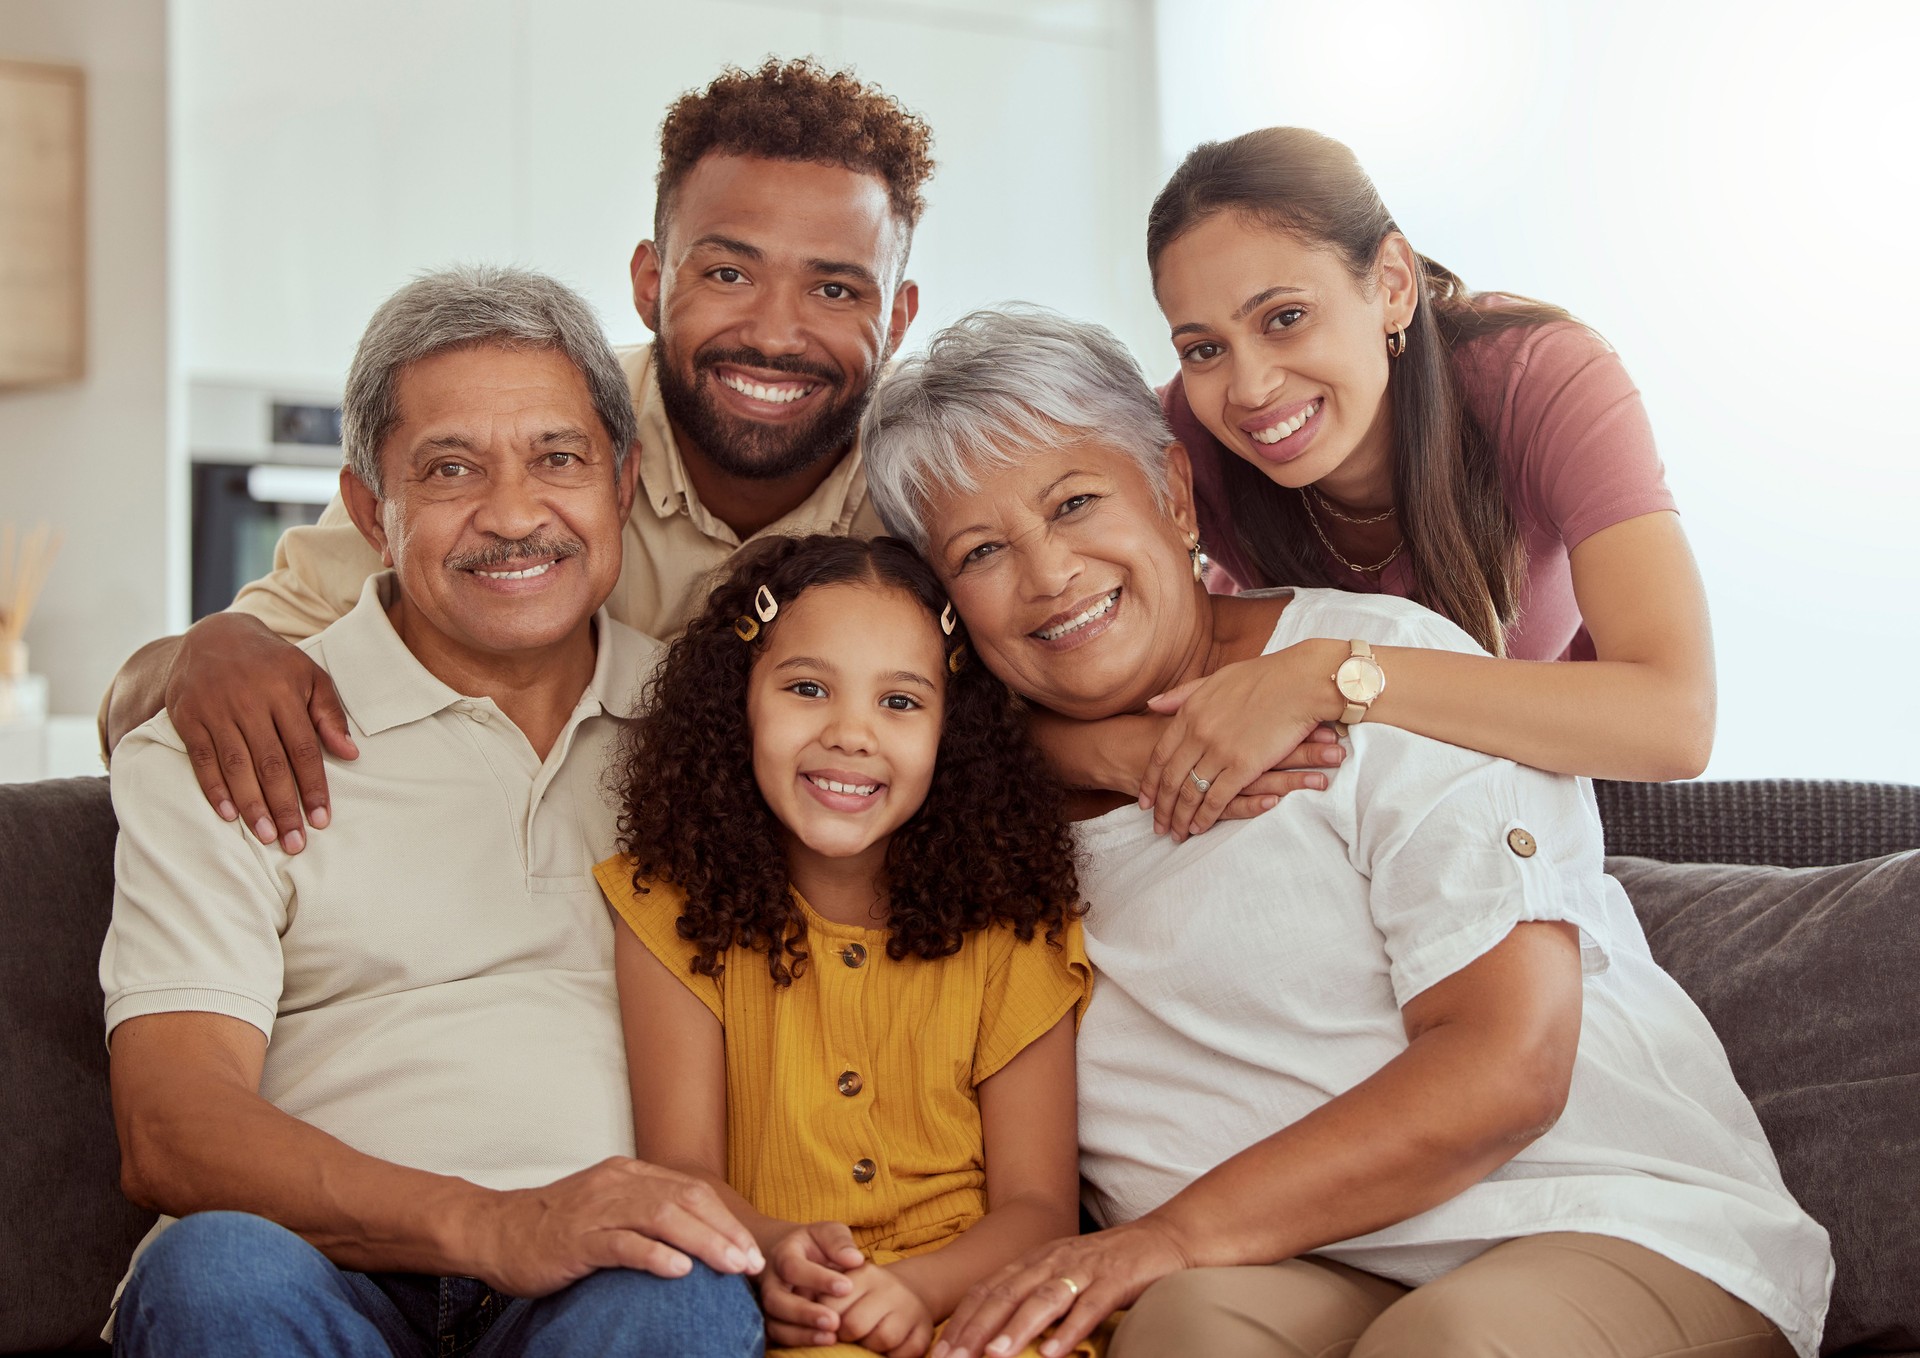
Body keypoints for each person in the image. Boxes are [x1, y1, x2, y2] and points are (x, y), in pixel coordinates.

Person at [857, 308, 1831, 1358]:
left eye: (1077, 502)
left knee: (1449, 1341)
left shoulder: (1377, 671)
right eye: (983, 549)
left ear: (1174, 493)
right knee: (1185, 1331)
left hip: (1608, 1217)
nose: (1047, 573)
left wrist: (1162, 1236)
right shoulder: (959, 798)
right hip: (1310, 1260)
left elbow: (1509, 1066)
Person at [100, 266, 765, 1358]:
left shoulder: (727, 732)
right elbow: (170, 1126)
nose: (512, 515)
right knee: (213, 1271)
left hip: (613, 1288)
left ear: (625, 478)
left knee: (688, 1292)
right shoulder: (229, 739)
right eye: (450, 468)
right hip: (313, 1272)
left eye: (558, 458)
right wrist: (496, 1223)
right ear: (370, 507)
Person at [99, 56, 934, 856]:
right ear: (650, 282)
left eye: (834, 290)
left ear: (897, 318)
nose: (774, 334)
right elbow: (171, 691)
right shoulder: (536, 430)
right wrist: (201, 654)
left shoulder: (935, 492)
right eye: (725, 273)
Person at [1043, 126, 1716, 842]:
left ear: (1392, 284)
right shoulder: (1182, 437)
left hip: (1550, 796)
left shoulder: (1541, 381)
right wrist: (1125, 753)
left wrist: (1329, 678)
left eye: (1286, 318)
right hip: (1318, 816)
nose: (1250, 387)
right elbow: (985, 682)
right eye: (1203, 348)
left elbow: (1677, 719)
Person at [596, 534, 1094, 1357]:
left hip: (983, 1315)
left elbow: (1040, 1208)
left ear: (951, 731)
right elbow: (683, 1169)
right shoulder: (668, 907)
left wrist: (917, 1290)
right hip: (791, 1312)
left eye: (900, 702)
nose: (852, 734)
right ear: (739, 703)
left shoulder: (1015, 920)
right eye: (806, 688)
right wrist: (778, 1257)